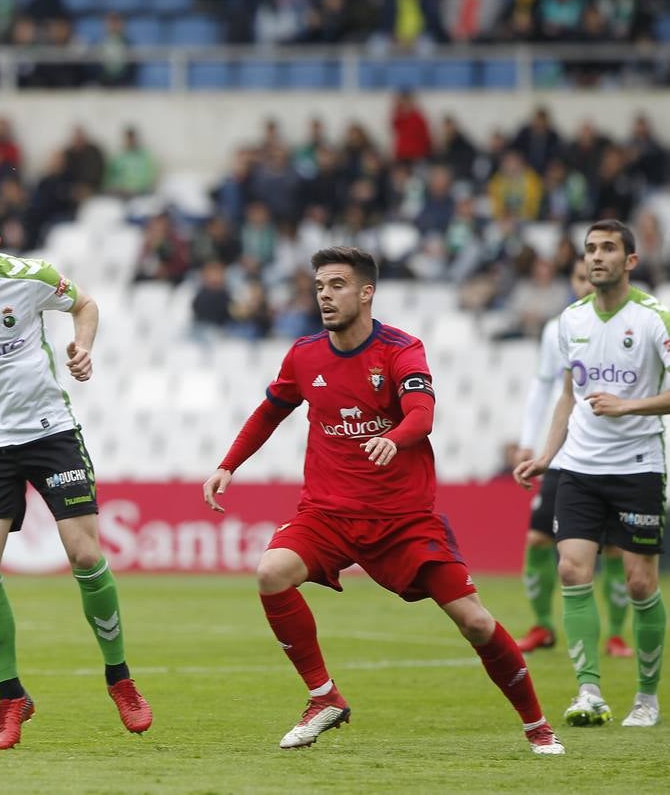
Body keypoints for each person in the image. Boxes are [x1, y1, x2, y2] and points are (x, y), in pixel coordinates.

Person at [203, 246, 564, 756]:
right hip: (327, 513)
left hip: (403, 520)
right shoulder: (305, 354)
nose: (325, 296)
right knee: (270, 572)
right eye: (320, 286)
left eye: (337, 285)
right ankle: (323, 698)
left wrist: (395, 437)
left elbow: (422, 414)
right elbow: (270, 412)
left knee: (476, 622)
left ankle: (537, 726)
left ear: (366, 292)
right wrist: (227, 464)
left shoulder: (400, 349)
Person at [0, 190, 152, 750]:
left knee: (86, 554)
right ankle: (11, 695)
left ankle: (120, 679)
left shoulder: (31, 277)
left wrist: (82, 347)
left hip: (49, 433)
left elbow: (85, 305)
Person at [514, 220, 668, 729]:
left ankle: (646, 699)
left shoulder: (654, 319)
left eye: (607, 249)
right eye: (590, 250)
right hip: (577, 467)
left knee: (641, 583)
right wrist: (545, 454)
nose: (596, 257)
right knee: (571, 570)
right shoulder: (570, 320)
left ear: (630, 260)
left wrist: (629, 407)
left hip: (638, 468)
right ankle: (589, 692)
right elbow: (567, 396)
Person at [513, 260, 632, 657]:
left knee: (614, 548)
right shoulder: (559, 328)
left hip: (613, 453)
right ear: (572, 280)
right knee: (537, 538)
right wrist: (530, 443)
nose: (585, 284)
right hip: (564, 453)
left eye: (590, 277)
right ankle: (542, 625)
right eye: (579, 277)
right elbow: (544, 388)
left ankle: (616, 634)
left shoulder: (632, 323)